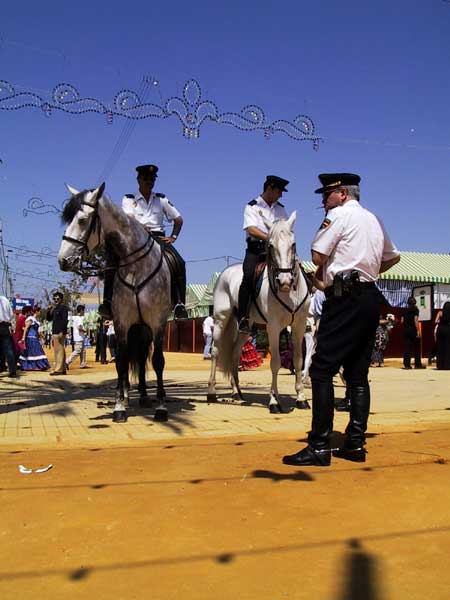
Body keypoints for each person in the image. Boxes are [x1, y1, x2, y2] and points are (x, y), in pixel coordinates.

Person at [282, 172, 400, 467]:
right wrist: (366, 270)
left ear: (343, 194)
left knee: (322, 370)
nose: (323, 200)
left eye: (327, 194)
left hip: (345, 299)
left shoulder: (339, 216)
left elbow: (317, 254)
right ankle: (355, 444)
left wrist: (340, 274)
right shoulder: (373, 219)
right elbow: (393, 256)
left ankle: (320, 446)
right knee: (358, 374)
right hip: (370, 295)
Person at [98, 163, 188, 321]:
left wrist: (173, 237)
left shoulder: (161, 199)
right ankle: (107, 303)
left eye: (152, 179)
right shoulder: (129, 198)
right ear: (138, 179)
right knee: (112, 258)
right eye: (146, 178)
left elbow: (178, 220)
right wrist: (141, 227)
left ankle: (180, 304)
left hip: (158, 238)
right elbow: (129, 218)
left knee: (179, 262)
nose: (149, 182)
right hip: (135, 238)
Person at [237, 175, 289, 334]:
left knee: (291, 274)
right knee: (248, 276)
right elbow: (251, 229)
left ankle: (291, 314)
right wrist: (271, 237)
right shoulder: (252, 206)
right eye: (279, 191)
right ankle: (243, 317)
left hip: (277, 252)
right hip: (256, 250)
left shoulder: (281, 208)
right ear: (270, 188)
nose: (281, 195)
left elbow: (287, 233)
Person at [19, 306, 50, 371]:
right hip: (30, 339)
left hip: (35, 338)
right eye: (40, 311)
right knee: (35, 352)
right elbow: (26, 328)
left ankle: (37, 366)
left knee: (35, 352)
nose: (40, 313)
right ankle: (36, 366)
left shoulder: (36, 320)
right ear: (36, 312)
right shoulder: (30, 318)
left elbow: (36, 331)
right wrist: (23, 338)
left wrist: (41, 336)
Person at [46, 291, 69, 376]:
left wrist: (62, 331)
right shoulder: (55, 309)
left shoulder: (63, 308)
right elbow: (49, 319)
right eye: (54, 298)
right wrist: (48, 311)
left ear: (61, 299)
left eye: (57, 298)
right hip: (55, 331)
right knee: (59, 350)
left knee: (59, 350)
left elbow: (65, 320)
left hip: (59, 332)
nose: (56, 300)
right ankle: (62, 368)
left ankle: (58, 369)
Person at [401, 297, 425, 369]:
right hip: (413, 330)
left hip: (406, 330)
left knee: (407, 348)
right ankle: (417, 364)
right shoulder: (415, 310)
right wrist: (418, 330)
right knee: (417, 347)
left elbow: (402, 321)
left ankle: (407, 364)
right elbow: (415, 320)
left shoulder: (404, 310)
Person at [0, 294, 17, 377]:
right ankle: (12, 370)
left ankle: (2, 366)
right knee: (8, 349)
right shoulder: (5, 300)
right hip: (5, 326)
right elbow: (11, 314)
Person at [66, 305, 87, 370]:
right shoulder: (79, 318)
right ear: (81, 311)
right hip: (79, 337)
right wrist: (84, 330)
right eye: (83, 310)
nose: (84, 312)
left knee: (83, 351)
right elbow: (79, 327)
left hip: (79, 337)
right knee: (78, 351)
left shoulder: (75, 317)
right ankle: (67, 362)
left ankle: (82, 363)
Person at [436, 302, 450, 370]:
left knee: (440, 347)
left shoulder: (440, 312)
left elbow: (436, 321)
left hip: (440, 329)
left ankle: (440, 365)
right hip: (448, 330)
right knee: (447, 347)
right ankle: (447, 365)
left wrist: (440, 322)